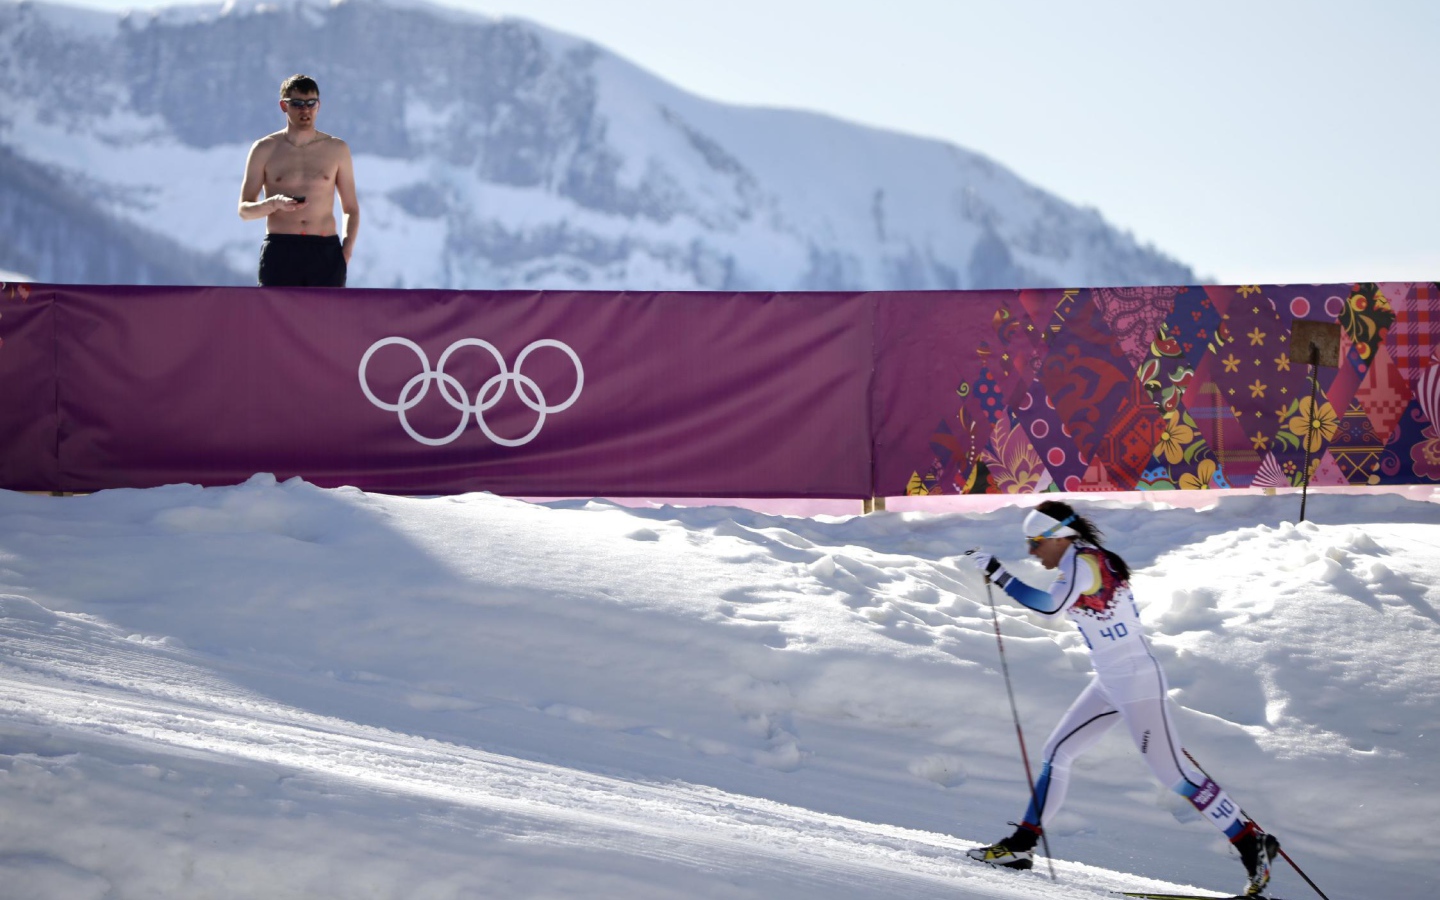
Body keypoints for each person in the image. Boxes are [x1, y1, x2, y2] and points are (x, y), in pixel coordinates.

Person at [959, 500, 1280, 897]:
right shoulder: (1078, 563)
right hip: (1112, 682)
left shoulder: (1083, 564)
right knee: (1057, 752)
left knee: (1174, 775)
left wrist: (998, 573)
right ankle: (1021, 846)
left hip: (1136, 683)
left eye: (1036, 542)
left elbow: (1049, 608)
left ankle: (1251, 844)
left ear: (1059, 537)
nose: (1031, 551)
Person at [238, 74, 359, 287]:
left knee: (327, 310)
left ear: (319, 105)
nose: (305, 110)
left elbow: (351, 208)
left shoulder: (337, 149)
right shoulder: (264, 149)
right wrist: (273, 203)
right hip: (281, 249)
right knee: (275, 310)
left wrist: (346, 252)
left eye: (311, 103)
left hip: (325, 250)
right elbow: (245, 210)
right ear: (284, 106)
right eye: (297, 104)